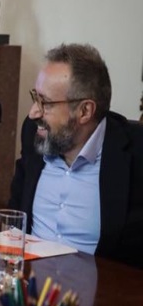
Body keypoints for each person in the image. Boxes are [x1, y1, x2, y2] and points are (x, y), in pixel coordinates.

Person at [9, 43, 143, 269]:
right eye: (35, 97)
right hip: (30, 293)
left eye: (46, 103)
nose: (33, 112)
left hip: (101, 297)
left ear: (84, 111)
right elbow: (13, 220)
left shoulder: (135, 154)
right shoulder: (34, 132)